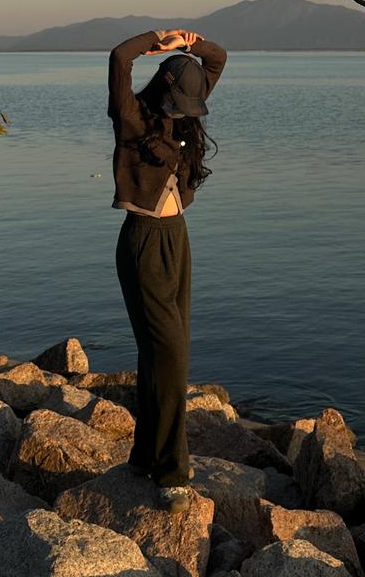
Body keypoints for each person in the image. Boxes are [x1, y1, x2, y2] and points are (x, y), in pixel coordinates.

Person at [107, 27, 227, 513]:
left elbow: (217, 59)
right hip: (143, 241)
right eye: (179, 103)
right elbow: (119, 57)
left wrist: (190, 45)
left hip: (177, 239)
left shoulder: (187, 102)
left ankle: (143, 455)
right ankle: (173, 473)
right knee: (171, 356)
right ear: (164, 90)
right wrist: (156, 41)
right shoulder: (132, 118)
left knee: (161, 354)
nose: (185, 113)